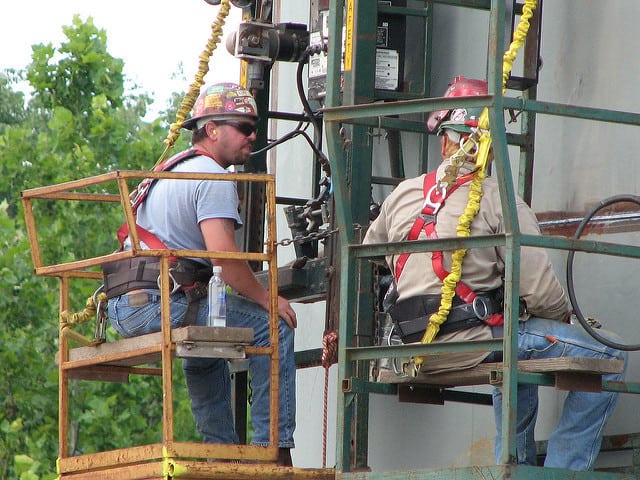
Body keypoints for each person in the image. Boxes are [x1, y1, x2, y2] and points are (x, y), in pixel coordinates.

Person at [362, 75, 627, 471]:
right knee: (610, 350)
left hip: (411, 351)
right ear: (488, 143)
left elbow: (370, 252)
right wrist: (566, 320)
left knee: (514, 348)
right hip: (470, 343)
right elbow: (541, 292)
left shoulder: (403, 193)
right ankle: (562, 471)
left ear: (444, 139)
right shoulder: (498, 197)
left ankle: (514, 464)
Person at [103, 83, 297, 466]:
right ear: (212, 130)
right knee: (273, 326)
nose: (252, 135)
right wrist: (267, 298)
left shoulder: (173, 168)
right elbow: (224, 259)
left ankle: (221, 453)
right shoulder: (211, 177)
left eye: (253, 127)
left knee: (209, 338)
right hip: (157, 302)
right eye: (242, 127)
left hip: (127, 304)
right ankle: (271, 452)